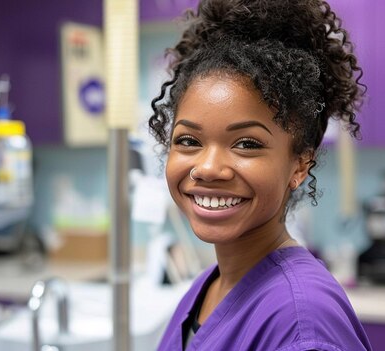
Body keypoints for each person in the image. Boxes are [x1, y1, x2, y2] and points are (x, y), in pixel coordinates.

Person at [149, 0, 371, 350]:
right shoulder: (209, 287)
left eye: (246, 144)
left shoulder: (301, 323)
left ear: (299, 164)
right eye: (189, 140)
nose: (207, 168)